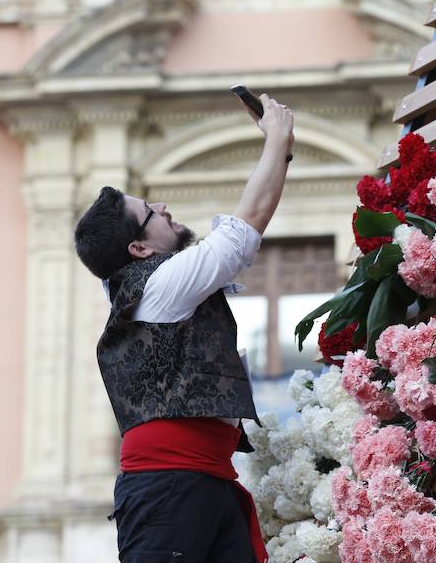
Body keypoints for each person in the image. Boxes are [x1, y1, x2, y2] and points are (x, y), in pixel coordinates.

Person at [74, 93, 294, 563]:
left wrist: (280, 150)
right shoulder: (160, 285)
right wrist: (277, 139)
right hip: (172, 483)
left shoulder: (148, 287)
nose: (164, 205)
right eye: (151, 211)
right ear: (138, 248)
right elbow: (245, 226)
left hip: (196, 478)